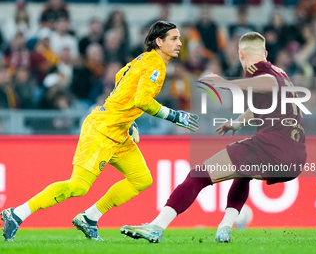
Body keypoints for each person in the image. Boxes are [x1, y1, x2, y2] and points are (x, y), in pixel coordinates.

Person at [0, 20, 199, 242]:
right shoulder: (156, 64)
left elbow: (120, 77)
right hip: (102, 129)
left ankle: (90, 217)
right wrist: (175, 116)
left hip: (118, 130)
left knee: (141, 179)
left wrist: (127, 117)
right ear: (159, 41)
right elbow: (142, 100)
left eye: (179, 38)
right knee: (78, 186)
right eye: (174, 38)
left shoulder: (143, 59)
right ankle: (17, 214)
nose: (179, 43)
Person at [120, 31, 307, 243]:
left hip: (272, 148)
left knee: (199, 175)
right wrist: (236, 123)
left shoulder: (260, 71)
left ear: (241, 55)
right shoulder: (280, 71)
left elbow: (268, 84)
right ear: (264, 52)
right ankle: (225, 228)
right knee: (243, 172)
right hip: (296, 157)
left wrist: (225, 84)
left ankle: (156, 227)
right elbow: (262, 105)